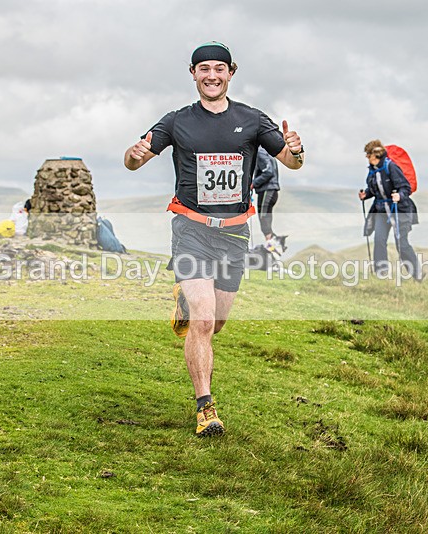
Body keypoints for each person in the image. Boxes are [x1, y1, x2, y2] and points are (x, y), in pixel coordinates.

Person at [123, 41, 304, 437]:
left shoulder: (253, 119)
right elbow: (133, 161)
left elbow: (291, 162)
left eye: (218, 69)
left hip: (235, 234)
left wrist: (296, 150)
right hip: (191, 229)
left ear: (230, 74)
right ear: (193, 74)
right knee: (203, 320)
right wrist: (135, 154)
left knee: (214, 323)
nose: (211, 75)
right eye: (203, 68)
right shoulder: (177, 121)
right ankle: (206, 408)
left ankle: (185, 306)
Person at [358, 140, 419, 278]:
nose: (367, 158)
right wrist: (366, 195)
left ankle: (417, 274)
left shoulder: (391, 167)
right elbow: (375, 190)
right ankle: (381, 273)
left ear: (375, 154)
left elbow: (406, 187)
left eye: (368, 155)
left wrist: (399, 195)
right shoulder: (372, 171)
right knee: (379, 240)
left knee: (401, 244)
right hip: (381, 211)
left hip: (399, 210)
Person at [252, 146, 280, 240]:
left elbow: (268, 172)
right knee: (266, 221)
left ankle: (271, 246)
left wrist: (253, 184)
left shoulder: (260, 152)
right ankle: (273, 244)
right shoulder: (267, 151)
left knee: (264, 220)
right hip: (271, 190)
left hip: (267, 190)